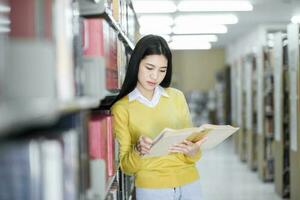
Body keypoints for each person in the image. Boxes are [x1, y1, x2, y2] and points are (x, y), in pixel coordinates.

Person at [111, 34, 207, 200]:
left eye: (162, 70)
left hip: (190, 183)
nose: (155, 76)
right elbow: (126, 166)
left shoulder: (177, 97)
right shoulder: (121, 108)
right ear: (136, 63)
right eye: (149, 68)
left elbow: (194, 152)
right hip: (152, 189)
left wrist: (194, 150)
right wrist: (138, 151)